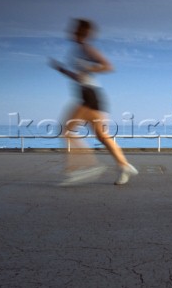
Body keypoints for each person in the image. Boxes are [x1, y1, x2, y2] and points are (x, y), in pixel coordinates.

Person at [50, 19, 138, 185]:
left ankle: (86, 165)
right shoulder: (78, 50)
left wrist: (89, 68)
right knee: (102, 135)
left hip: (88, 96)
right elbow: (79, 76)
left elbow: (107, 66)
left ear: (81, 33)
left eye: (75, 30)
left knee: (66, 131)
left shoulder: (86, 48)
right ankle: (124, 165)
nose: (71, 33)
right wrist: (62, 69)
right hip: (93, 96)